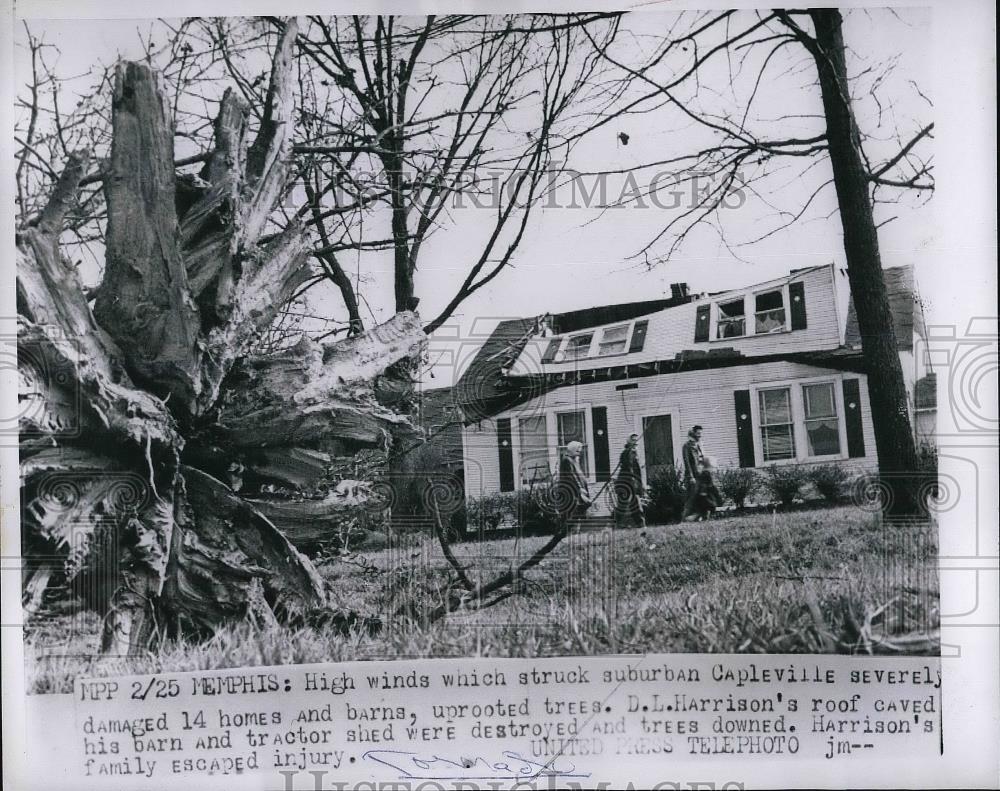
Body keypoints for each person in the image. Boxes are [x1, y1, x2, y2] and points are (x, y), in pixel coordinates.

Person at [614, 434, 646, 529]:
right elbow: (629, 467)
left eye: (636, 440)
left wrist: (640, 483)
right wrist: (634, 482)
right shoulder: (627, 453)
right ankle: (618, 524)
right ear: (629, 442)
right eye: (633, 440)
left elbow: (637, 470)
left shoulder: (634, 452)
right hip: (625, 482)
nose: (635, 441)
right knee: (624, 505)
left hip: (632, 482)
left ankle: (640, 524)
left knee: (634, 503)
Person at [557, 440, 592, 528]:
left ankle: (572, 531)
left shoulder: (574, 460)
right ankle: (564, 532)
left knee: (582, 507)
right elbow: (572, 477)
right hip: (570, 492)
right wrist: (580, 489)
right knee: (570, 513)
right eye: (577, 450)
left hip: (576, 491)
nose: (579, 453)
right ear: (572, 449)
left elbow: (579, 476)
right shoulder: (567, 460)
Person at [685, 455, 723, 521]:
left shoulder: (702, 474)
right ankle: (699, 516)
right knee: (711, 505)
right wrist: (717, 494)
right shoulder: (707, 474)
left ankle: (700, 516)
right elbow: (710, 486)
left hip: (702, 495)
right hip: (704, 496)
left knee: (705, 509)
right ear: (710, 466)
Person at [681, 425, 704, 520]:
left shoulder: (698, 445)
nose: (700, 436)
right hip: (692, 476)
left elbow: (701, 459)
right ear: (693, 433)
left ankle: (698, 517)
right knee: (691, 497)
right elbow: (687, 462)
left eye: (700, 434)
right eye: (698, 433)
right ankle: (684, 518)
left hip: (700, 474)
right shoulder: (686, 446)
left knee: (700, 496)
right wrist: (691, 477)